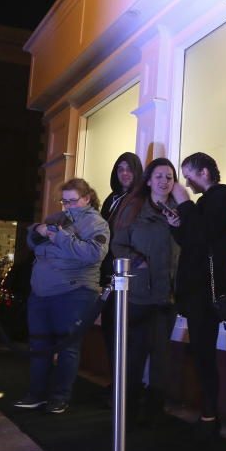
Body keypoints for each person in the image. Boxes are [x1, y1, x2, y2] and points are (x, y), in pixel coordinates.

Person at [14, 178, 109, 414]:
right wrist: (38, 229)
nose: (67, 205)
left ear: (86, 198)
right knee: (39, 345)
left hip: (74, 292)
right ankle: (36, 394)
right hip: (41, 291)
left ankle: (59, 397)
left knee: (67, 347)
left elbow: (93, 254)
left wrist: (59, 238)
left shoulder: (97, 223)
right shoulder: (56, 218)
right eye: (64, 200)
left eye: (72, 200)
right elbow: (34, 243)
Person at [166, 152, 226, 441]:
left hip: (205, 292)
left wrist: (183, 202)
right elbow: (193, 241)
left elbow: (203, 235)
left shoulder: (223, 196)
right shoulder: (207, 202)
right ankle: (208, 413)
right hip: (197, 290)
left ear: (205, 172)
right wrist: (177, 227)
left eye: (189, 175)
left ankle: (210, 416)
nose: (186, 182)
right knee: (201, 352)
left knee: (204, 353)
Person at [111, 157, 180, 423]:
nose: (164, 181)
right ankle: (127, 409)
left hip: (167, 295)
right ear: (149, 180)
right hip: (139, 294)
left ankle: (154, 411)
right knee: (135, 353)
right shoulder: (134, 208)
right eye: (160, 176)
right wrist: (137, 261)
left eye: (169, 177)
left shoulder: (179, 211)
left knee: (161, 355)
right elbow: (118, 244)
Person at [99, 152, 144, 380]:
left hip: (127, 278)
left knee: (124, 336)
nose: (125, 174)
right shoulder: (112, 198)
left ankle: (125, 389)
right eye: (120, 169)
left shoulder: (140, 200)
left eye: (129, 169)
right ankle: (115, 385)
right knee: (110, 333)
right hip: (109, 276)